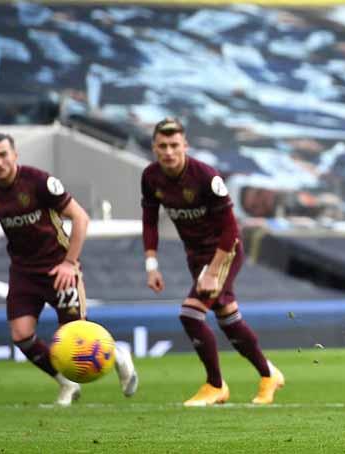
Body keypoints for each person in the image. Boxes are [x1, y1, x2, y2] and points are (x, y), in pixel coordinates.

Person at [0, 132, 138, 406]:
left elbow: (80, 217)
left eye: (3, 155)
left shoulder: (39, 182)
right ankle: (66, 384)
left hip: (59, 268)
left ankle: (117, 354)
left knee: (75, 335)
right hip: (23, 272)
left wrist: (69, 263)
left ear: (15, 155)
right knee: (21, 335)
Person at [141, 118, 284, 406]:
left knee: (190, 315)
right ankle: (269, 374)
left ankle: (215, 384)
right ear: (154, 147)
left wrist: (213, 272)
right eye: (162, 146)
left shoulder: (206, 176)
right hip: (195, 255)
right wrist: (151, 264)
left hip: (224, 251)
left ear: (185, 146)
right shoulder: (150, 177)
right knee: (228, 319)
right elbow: (150, 220)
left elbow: (231, 230)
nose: (168, 152)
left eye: (174, 145)